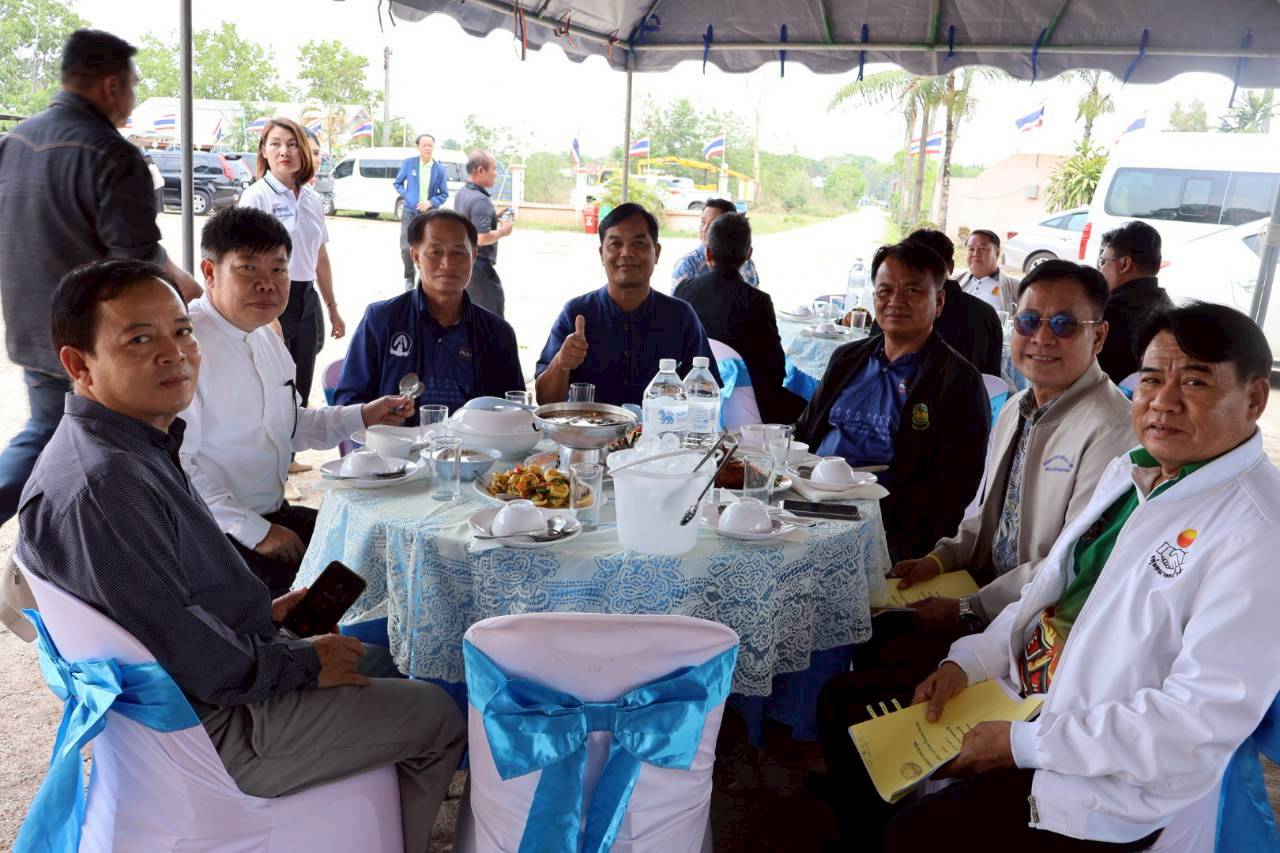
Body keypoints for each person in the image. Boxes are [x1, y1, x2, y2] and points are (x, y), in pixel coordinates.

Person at [17, 259, 466, 852]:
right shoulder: (107, 485)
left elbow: (166, 605)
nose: (175, 354)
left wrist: (268, 615)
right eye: (140, 339)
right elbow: (193, 657)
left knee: (379, 659)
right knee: (438, 712)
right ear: (79, 365)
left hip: (206, 686)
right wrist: (301, 665)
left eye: (182, 330)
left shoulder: (128, 444)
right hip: (208, 725)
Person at [822, 300, 1280, 852]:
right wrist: (968, 662)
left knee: (917, 834)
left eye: (1195, 382)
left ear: (1254, 399)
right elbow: (1045, 594)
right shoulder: (1133, 472)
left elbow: (1193, 723)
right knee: (847, 706)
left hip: (1102, 773)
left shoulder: (1258, 531)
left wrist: (1022, 745)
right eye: (1152, 379)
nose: (1163, 401)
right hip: (1023, 695)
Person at [812, 262, 1136, 842]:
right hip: (984, 598)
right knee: (868, 633)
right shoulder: (1017, 406)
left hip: (1030, 631)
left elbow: (1066, 566)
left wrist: (968, 610)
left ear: (1100, 335)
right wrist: (939, 561)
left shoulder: (1111, 429)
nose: (1042, 338)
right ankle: (875, 791)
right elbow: (980, 516)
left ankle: (894, 802)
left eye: (1064, 324)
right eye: (1030, 321)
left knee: (859, 685)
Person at [0, 28, 201, 527]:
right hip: (95, 342)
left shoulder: (14, 142)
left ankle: (50, 543)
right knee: (87, 449)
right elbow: (136, 264)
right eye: (133, 84)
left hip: (31, 326)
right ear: (112, 85)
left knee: (53, 438)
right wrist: (185, 290)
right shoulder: (111, 154)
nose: (133, 97)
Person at [179, 208, 411, 596]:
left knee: (375, 550)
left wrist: (364, 415)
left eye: (279, 270)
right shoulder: (186, 349)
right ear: (209, 271)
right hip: (215, 536)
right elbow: (175, 467)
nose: (267, 284)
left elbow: (290, 425)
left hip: (271, 513)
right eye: (248, 268)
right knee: (340, 590)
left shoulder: (266, 337)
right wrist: (257, 532)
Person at [793, 241, 989, 562]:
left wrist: (871, 514)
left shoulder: (957, 380)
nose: (895, 301)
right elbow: (804, 431)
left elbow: (955, 485)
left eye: (912, 290)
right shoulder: (847, 359)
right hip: (808, 503)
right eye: (885, 291)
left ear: (939, 301)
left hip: (887, 529)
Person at [335, 209, 524, 417]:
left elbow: (515, 411)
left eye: (458, 252)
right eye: (435, 252)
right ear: (416, 256)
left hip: (473, 439)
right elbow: (347, 403)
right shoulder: (381, 320)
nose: (447, 263)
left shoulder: (498, 333)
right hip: (393, 439)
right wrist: (373, 416)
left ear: (473, 256)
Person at [535, 203, 719, 406]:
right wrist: (561, 363)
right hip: (587, 427)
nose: (626, 253)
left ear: (656, 252)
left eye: (639, 243)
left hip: (660, 427)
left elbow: (707, 396)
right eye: (615, 244)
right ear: (601, 254)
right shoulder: (577, 314)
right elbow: (545, 401)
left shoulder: (680, 317)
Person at [238, 117, 345, 409]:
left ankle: (295, 440)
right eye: (275, 144)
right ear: (264, 151)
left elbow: (319, 256)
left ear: (303, 151)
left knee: (301, 388)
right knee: (273, 389)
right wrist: (268, 315)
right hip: (268, 297)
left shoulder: (312, 199)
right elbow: (244, 261)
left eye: (292, 144)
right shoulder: (256, 197)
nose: (284, 151)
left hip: (306, 297)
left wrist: (332, 309)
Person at [673, 212, 805, 423]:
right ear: (748, 254)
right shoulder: (758, 301)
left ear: (708, 252)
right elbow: (777, 371)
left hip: (691, 402)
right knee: (811, 411)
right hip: (749, 412)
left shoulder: (684, 291)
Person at [893, 229, 1003, 376]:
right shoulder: (987, 314)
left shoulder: (896, 310)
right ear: (951, 266)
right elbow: (994, 381)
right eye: (971, 249)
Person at [1096, 221, 1173, 384]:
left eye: (1103, 262)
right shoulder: (1167, 305)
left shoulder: (1109, 312)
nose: (1100, 269)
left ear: (1125, 264)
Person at [454, 149, 513, 317]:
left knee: (471, 314)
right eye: (493, 168)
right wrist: (503, 231)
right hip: (478, 268)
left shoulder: (463, 192)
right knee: (493, 315)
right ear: (480, 170)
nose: (496, 173)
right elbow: (481, 238)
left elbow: (470, 222)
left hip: (463, 263)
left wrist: (494, 216)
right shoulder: (480, 200)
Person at [394, 134, 448, 291]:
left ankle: (425, 279)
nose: (428, 148)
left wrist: (431, 202)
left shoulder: (439, 169)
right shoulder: (409, 164)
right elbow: (397, 183)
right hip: (409, 212)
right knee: (406, 247)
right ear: (418, 147)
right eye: (424, 145)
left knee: (429, 248)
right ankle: (409, 276)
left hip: (429, 215)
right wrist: (408, 195)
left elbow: (444, 193)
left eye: (430, 145)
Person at [671, 198, 760, 290]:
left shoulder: (746, 263)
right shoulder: (687, 264)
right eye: (703, 222)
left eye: (712, 224)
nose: (704, 229)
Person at [956, 229, 1018, 315]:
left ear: (997, 253)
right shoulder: (954, 282)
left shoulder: (1016, 288)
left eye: (982, 249)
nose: (975, 254)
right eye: (971, 249)